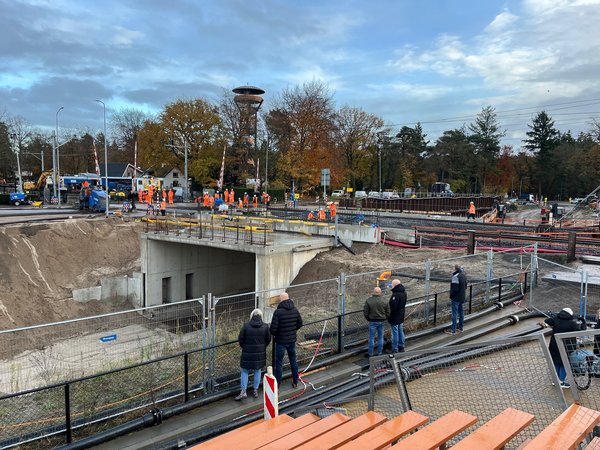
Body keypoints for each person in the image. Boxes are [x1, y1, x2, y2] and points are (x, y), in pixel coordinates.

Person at [544, 307, 586, 388]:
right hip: (567, 347)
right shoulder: (572, 323)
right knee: (564, 364)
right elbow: (581, 332)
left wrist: (555, 316)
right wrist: (583, 322)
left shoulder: (556, 319)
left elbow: (546, 321)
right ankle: (561, 382)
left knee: (556, 362)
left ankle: (556, 380)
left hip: (554, 345)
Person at [235, 308, 271, 401]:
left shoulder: (246, 326)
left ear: (251, 316)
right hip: (260, 354)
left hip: (247, 353)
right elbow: (268, 340)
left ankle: (243, 391)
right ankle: (255, 390)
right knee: (257, 370)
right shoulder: (265, 326)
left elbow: (241, 339)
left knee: (244, 371)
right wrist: (262, 347)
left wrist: (245, 347)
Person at [270, 292, 303, 388]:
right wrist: (292, 330)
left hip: (281, 341)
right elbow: (300, 323)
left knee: (279, 363)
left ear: (281, 300)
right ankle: (295, 381)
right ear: (288, 299)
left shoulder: (278, 312)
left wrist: (279, 333)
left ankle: (278, 384)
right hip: (292, 340)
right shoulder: (295, 310)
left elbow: (273, 329)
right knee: (293, 360)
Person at [363, 286, 390, 357]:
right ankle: (379, 352)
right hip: (381, 321)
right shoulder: (384, 300)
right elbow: (388, 311)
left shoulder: (369, 300)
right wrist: (385, 318)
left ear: (373, 292)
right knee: (380, 337)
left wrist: (368, 318)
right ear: (380, 292)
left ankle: (370, 353)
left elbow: (365, 312)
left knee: (371, 337)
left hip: (372, 321)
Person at [445, 264, 467, 335]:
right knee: (461, 313)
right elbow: (465, 286)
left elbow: (455, 289)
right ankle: (460, 328)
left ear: (455, 269)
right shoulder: (463, 275)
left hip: (456, 298)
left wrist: (451, 296)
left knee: (454, 313)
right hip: (462, 297)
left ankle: (453, 330)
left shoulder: (455, 277)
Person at [388, 279, 407, 353]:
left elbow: (393, 307)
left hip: (395, 316)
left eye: (392, 285)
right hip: (401, 315)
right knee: (400, 331)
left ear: (395, 285)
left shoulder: (395, 295)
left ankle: (394, 348)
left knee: (395, 333)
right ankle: (401, 346)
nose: (391, 286)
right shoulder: (404, 292)